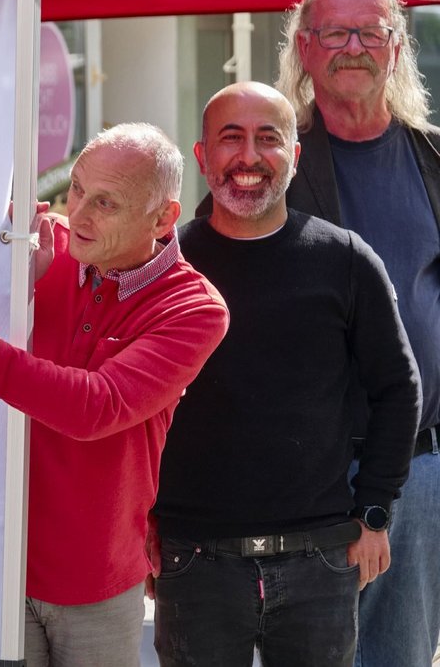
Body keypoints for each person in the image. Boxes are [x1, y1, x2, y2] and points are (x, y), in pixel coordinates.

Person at [0, 123, 229, 667]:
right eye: (77, 188)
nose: (79, 212)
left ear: (162, 218)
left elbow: (97, 407)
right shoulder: (37, 246)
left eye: (105, 202)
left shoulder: (194, 308)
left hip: (95, 574)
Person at [153, 81, 421, 666]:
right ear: (202, 157)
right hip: (193, 559)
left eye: (268, 139)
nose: (248, 157)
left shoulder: (345, 259)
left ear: (294, 157)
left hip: (320, 560)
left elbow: (399, 391)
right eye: (231, 138)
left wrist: (374, 510)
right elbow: (126, 403)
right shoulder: (162, 264)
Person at [276, 0, 440, 663]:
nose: (353, 48)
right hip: (300, 469)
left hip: (418, 469)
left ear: (397, 47)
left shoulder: (433, 158)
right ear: (305, 49)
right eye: (335, 34)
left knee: (399, 656)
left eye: (369, 34)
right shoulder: (268, 162)